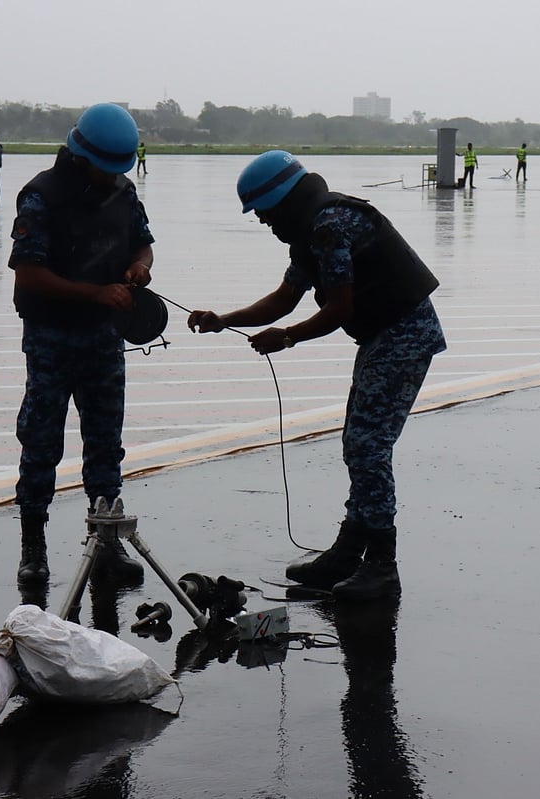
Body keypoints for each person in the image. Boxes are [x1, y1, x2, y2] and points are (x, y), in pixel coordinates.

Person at [186, 150, 446, 601]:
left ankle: (382, 565)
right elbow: (286, 297)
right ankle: (349, 553)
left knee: (368, 447)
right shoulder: (311, 229)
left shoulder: (329, 225)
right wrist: (223, 319)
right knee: (359, 443)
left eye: (264, 213)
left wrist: (286, 338)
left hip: (405, 334)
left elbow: (338, 309)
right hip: (383, 336)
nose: (265, 223)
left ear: (283, 200)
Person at [7, 102, 153, 588]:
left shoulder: (124, 193)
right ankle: (33, 545)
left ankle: (107, 543)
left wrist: (140, 267)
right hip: (51, 335)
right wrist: (93, 292)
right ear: (80, 154)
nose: (112, 177)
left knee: (106, 441)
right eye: (105, 167)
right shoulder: (41, 196)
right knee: (42, 440)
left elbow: (142, 242)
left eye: (119, 169)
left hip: (105, 336)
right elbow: (29, 271)